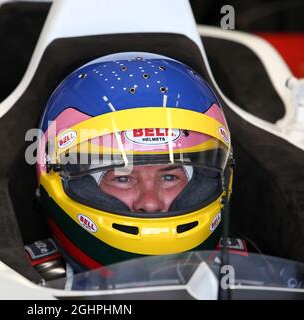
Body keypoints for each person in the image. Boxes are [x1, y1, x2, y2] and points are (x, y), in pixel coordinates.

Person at [25, 52, 244, 282]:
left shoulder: (247, 273)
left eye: (169, 177)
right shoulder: (22, 282)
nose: (150, 204)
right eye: (123, 178)